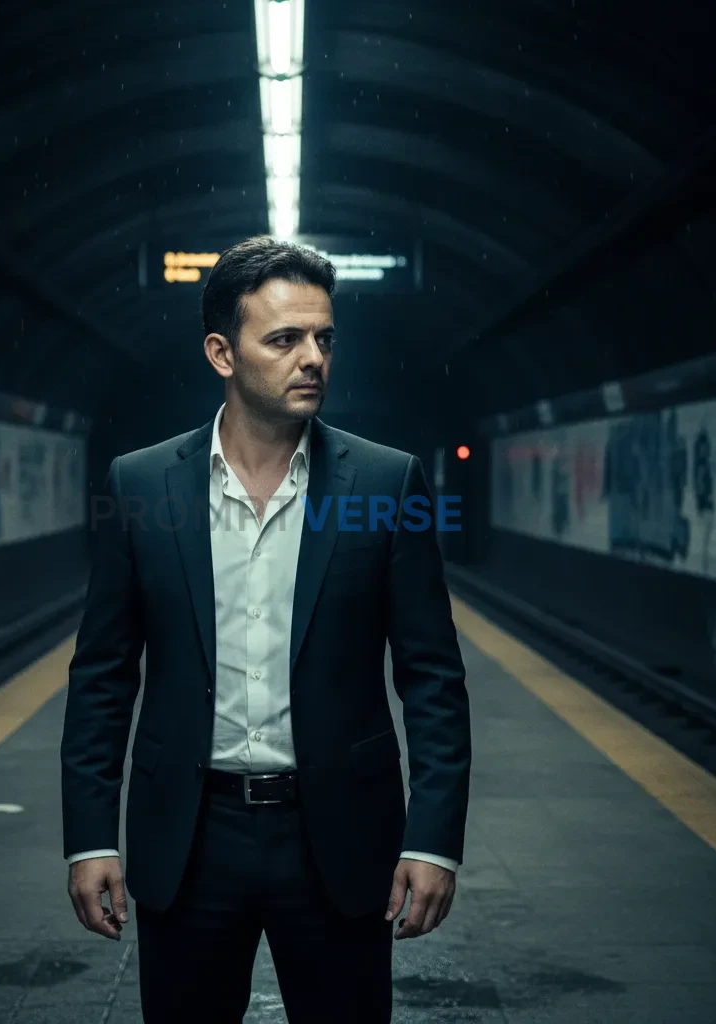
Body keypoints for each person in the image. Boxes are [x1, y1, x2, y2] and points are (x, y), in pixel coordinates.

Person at [60, 235, 472, 1022]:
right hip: (188, 837)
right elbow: (104, 676)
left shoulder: (388, 484)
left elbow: (432, 677)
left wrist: (432, 840)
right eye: (284, 339)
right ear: (222, 352)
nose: (311, 357)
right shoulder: (141, 484)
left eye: (323, 337)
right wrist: (90, 837)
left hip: (341, 843)